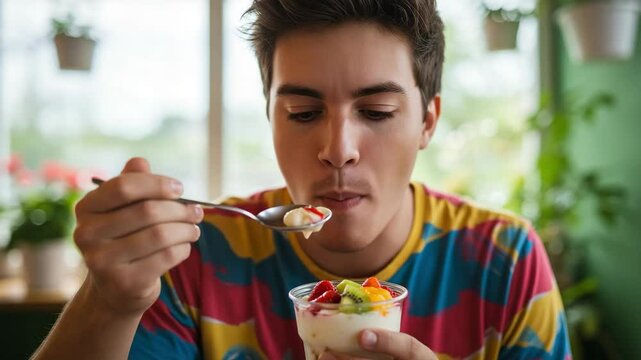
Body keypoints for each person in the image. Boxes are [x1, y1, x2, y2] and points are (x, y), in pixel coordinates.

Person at [32, 0, 572, 359]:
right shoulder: (195, 257)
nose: (338, 150)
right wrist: (107, 301)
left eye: (377, 111)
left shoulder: (504, 261)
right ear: (270, 116)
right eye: (304, 113)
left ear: (427, 121)